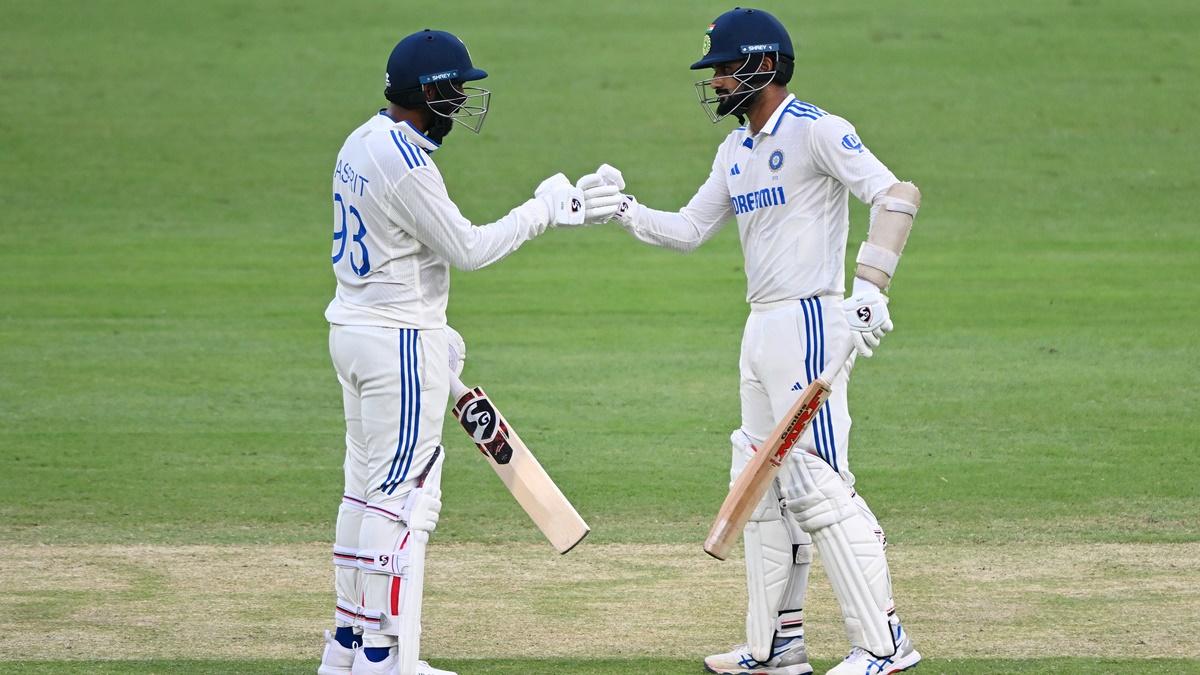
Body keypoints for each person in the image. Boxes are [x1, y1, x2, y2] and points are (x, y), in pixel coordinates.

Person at [582, 7, 923, 675]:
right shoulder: (734, 150)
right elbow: (685, 229)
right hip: (760, 325)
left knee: (817, 482)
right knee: (760, 481)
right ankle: (775, 647)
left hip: (809, 322)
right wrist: (622, 209)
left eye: (723, 70)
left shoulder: (817, 130)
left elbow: (897, 196)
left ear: (763, 66)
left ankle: (885, 643)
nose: (713, 83)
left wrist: (871, 287)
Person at [316, 28, 619, 675]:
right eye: (454, 89)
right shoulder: (406, 160)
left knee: (365, 494)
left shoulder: (361, 140)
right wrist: (546, 208)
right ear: (429, 94)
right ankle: (385, 658)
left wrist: (433, 326)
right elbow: (470, 247)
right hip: (398, 345)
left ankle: (347, 646)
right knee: (405, 505)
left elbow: (404, 251)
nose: (461, 101)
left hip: (357, 331)